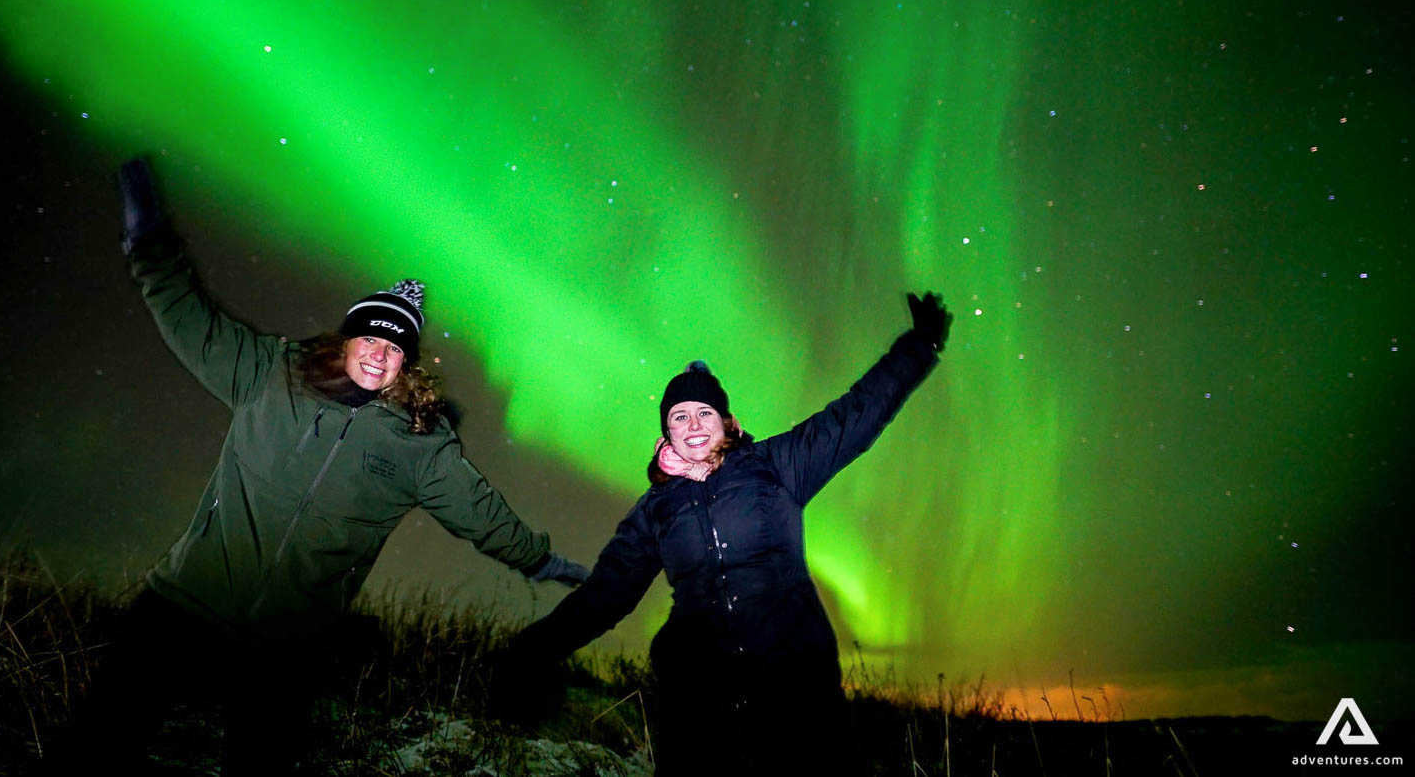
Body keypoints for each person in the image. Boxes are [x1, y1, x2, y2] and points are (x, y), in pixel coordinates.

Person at [58, 157, 588, 772]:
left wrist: (539, 559)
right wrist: (148, 240)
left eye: (394, 347)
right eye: (370, 338)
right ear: (346, 341)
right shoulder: (269, 374)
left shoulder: (422, 445)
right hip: (185, 604)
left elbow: (483, 515)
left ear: (405, 364)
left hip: (285, 644)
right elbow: (188, 317)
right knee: (94, 746)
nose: (379, 353)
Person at [500, 290, 952, 776]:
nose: (693, 424)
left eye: (704, 413)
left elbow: (855, 416)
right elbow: (607, 593)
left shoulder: (777, 466)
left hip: (795, 689)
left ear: (728, 423)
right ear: (665, 433)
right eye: (679, 416)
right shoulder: (654, 509)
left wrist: (919, 345)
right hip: (699, 702)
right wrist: (535, 649)